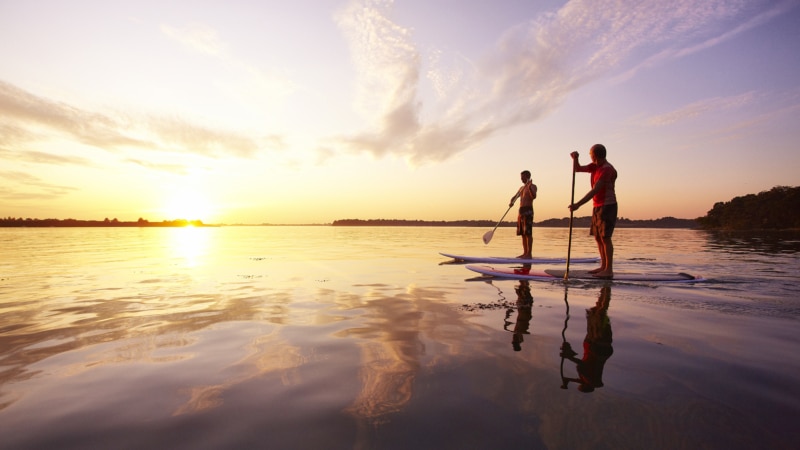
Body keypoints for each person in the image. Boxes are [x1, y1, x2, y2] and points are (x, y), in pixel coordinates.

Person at [568, 144, 617, 279]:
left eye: (590, 154)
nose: (590, 156)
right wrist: (575, 159)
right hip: (597, 206)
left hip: (608, 205)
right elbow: (577, 169)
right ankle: (603, 266)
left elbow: (596, 189)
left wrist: (578, 204)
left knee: (605, 238)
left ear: (595, 155)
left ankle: (609, 270)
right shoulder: (595, 166)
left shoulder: (607, 169)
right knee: (598, 237)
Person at [509, 170, 537, 259]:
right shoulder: (521, 188)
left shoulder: (533, 186)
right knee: (523, 234)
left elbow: (534, 196)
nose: (521, 179)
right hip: (521, 211)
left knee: (528, 233)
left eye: (522, 177)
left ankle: (529, 254)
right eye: (521, 177)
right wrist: (511, 202)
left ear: (527, 177)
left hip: (528, 210)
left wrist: (529, 187)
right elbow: (515, 196)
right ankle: (525, 253)